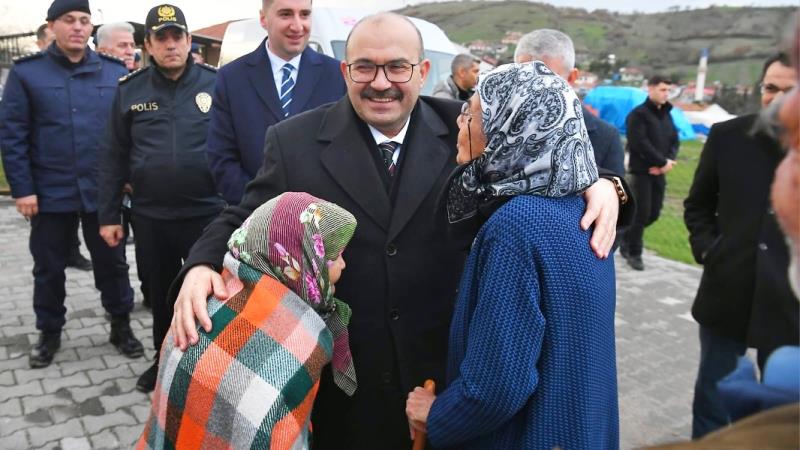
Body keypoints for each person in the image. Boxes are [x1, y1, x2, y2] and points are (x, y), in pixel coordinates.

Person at [169, 13, 628, 449]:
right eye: (366, 67)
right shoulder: (294, 141)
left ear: (423, 70)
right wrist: (201, 265)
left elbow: (557, 154)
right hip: (349, 389)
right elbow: (244, 212)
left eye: (397, 67)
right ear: (345, 71)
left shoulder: (470, 123)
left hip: (447, 381)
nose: (381, 82)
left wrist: (609, 186)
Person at [405, 61, 618, 450]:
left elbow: (498, 384)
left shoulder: (517, 226)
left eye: (470, 113)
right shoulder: (577, 207)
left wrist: (435, 415)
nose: (459, 123)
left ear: (511, 127)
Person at [138, 192, 356, 449]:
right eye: (333, 256)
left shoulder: (204, 304)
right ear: (302, 260)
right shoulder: (297, 350)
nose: (343, 263)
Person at [0, 0, 143, 369]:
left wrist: (127, 178)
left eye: (84, 20)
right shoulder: (27, 74)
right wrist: (23, 189)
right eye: (69, 20)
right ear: (52, 26)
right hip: (49, 191)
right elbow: (13, 135)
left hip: (102, 192)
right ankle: (49, 332)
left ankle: (121, 324)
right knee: (48, 267)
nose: (78, 27)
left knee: (112, 264)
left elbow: (128, 132)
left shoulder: (112, 73)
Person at [97, 3, 225, 393]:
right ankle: (164, 360)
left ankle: (215, 363)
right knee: (161, 293)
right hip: (152, 216)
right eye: (161, 38)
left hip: (209, 213)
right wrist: (108, 215)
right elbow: (112, 155)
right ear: (148, 45)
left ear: (188, 41)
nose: (171, 45)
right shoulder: (128, 91)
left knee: (215, 293)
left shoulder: (216, 84)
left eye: (177, 37)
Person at [683, 52, 798, 439]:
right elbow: (698, 205)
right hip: (728, 290)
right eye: (771, 87)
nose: (777, 97)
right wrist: (709, 250)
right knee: (713, 398)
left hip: (790, 305)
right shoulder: (728, 138)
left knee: (781, 413)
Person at [205, 0, 347, 205]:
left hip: (323, 221)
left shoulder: (336, 75)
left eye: (305, 14)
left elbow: (346, 152)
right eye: (286, 14)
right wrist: (257, 208)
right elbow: (221, 156)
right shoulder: (232, 78)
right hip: (253, 218)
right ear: (263, 18)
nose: (298, 26)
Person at [514, 28, 625, 175]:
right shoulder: (492, 126)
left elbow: (618, 192)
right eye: (524, 76)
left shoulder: (605, 137)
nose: (533, 87)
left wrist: (604, 184)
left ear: (572, 77)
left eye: (547, 79)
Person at [621, 75, 679, 270]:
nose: (666, 94)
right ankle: (634, 253)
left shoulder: (667, 114)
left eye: (668, 90)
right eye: (662, 90)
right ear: (651, 89)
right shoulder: (638, 115)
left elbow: (674, 140)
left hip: (660, 171)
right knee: (641, 213)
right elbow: (639, 143)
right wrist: (661, 161)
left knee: (654, 213)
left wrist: (667, 162)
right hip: (641, 171)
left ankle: (626, 238)